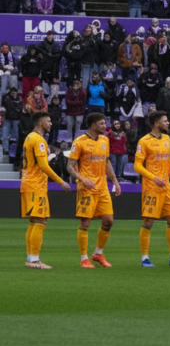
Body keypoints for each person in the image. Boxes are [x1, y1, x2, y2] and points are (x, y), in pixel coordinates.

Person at [136, 110, 170, 268]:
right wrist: (153, 177)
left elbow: (167, 161)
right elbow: (137, 166)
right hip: (151, 187)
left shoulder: (167, 138)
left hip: (166, 186)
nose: (168, 123)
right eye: (165, 121)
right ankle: (144, 258)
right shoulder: (144, 141)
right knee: (148, 221)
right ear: (156, 123)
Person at [67, 113, 121, 268]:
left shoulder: (104, 140)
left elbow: (106, 161)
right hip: (87, 188)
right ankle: (84, 258)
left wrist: (115, 181)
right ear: (92, 125)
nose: (104, 126)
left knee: (108, 221)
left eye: (104, 123)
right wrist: (82, 179)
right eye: (101, 123)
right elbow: (69, 166)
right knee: (85, 223)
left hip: (102, 186)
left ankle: (98, 253)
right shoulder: (79, 142)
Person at [21, 112, 72, 269]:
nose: (51, 124)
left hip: (29, 183)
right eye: (49, 121)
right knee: (41, 221)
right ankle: (34, 260)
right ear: (41, 123)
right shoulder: (39, 140)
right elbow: (43, 165)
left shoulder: (30, 137)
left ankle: (31, 259)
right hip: (35, 185)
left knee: (34, 221)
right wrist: (61, 181)